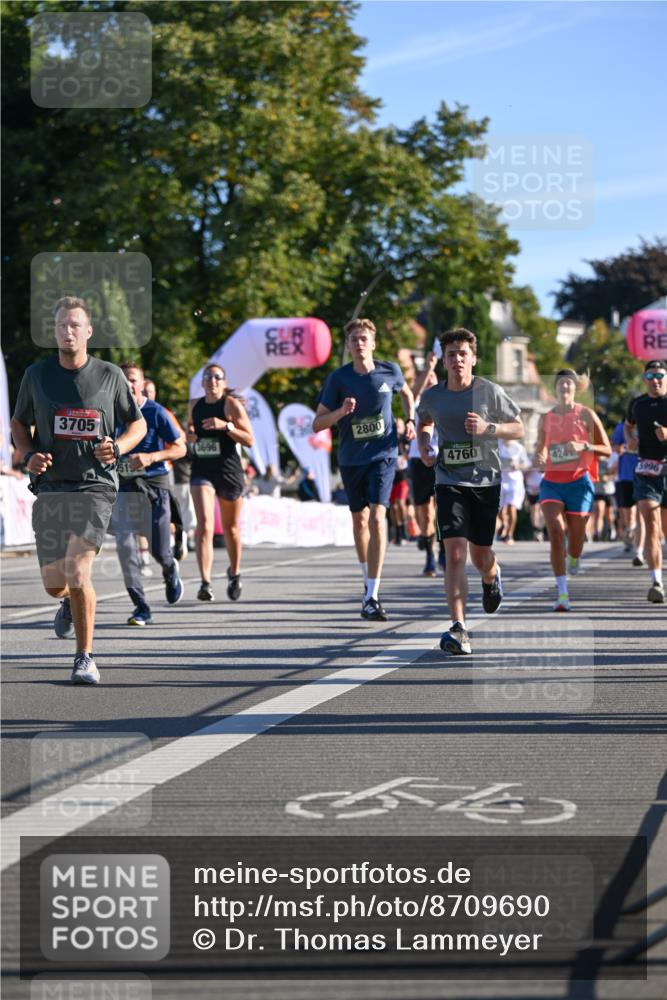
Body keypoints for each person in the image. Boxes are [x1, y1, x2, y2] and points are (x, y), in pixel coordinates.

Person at [10, 296, 146, 684]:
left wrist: (118, 447)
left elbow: (137, 425)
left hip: (95, 486)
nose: (67, 332)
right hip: (51, 487)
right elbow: (19, 423)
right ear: (53, 332)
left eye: (74, 325)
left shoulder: (109, 375)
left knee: (77, 568)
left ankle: (85, 657)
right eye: (61, 326)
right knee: (55, 584)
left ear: (88, 331)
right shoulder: (36, 375)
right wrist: (28, 454)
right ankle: (69, 602)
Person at [418, 327, 524, 655]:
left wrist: (489, 427)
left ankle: (492, 576)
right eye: (451, 355)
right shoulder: (433, 396)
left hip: (485, 482)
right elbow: (424, 422)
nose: (457, 360)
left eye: (463, 354)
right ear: (444, 361)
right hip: (449, 480)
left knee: (480, 556)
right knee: (454, 554)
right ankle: (459, 626)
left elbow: (518, 428)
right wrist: (424, 445)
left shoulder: (489, 391)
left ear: (474, 359)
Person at [312, 317, 415, 621]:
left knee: (378, 517)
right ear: (348, 345)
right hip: (351, 458)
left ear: (373, 343)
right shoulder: (338, 379)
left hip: (384, 455)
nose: (359, 343)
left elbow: (407, 394)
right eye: (353, 339)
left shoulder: (390, 371)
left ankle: (373, 594)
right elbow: (317, 424)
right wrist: (341, 412)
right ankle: (366, 578)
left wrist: (410, 420)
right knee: (360, 520)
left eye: (363, 338)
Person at [110, 363, 186, 625]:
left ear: (142, 384)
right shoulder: (111, 413)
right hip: (125, 488)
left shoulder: (156, 412)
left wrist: (151, 457)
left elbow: (180, 448)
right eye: (123, 380)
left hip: (154, 486)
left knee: (159, 550)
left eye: (133, 380)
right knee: (125, 546)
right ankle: (141, 607)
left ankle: (170, 568)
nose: (128, 385)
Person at [535, 368, 611, 611]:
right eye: (560, 383)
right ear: (555, 388)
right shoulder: (546, 418)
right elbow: (540, 448)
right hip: (551, 483)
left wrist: (584, 446)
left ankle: (574, 556)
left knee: (575, 542)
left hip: (579, 483)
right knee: (556, 532)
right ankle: (562, 594)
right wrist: (539, 457)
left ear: (576, 387)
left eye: (569, 383)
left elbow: (607, 449)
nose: (564, 386)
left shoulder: (586, 414)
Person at [188, 363, 254, 602]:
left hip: (228, 471)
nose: (212, 380)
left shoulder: (231, 405)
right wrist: (190, 435)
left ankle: (234, 573)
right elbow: (189, 430)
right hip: (202, 469)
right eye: (208, 376)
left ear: (224, 383)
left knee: (231, 528)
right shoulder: (194, 405)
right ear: (203, 382)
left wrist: (226, 426)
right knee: (204, 525)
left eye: (217, 377)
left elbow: (249, 439)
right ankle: (205, 582)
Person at [624, 358, 667, 603]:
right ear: (645, 379)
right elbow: (628, 426)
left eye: (660, 376)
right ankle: (656, 582)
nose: (655, 380)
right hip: (646, 470)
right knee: (651, 524)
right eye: (650, 376)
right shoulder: (637, 404)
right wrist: (630, 439)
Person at [409, 353, 439, 576]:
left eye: (433, 379)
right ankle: (429, 550)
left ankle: (442, 551)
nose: (429, 381)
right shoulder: (416, 403)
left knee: (444, 509)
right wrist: (429, 368)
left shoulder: (444, 402)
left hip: (441, 460)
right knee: (424, 512)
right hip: (418, 460)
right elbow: (412, 393)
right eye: (426, 379)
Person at [611, 418, 645, 565]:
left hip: (645, 475)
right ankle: (629, 531)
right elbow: (613, 446)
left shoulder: (647, 424)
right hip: (625, 475)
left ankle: (639, 552)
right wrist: (621, 448)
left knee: (641, 515)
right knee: (629, 516)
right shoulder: (621, 428)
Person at [497, 438, 530, 544]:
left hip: (515, 482)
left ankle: (509, 535)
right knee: (500, 510)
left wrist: (518, 466)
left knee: (512, 508)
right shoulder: (497, 445)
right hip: (501, 481)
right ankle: (504, 523)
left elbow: (527, 464)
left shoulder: (519, 447)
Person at [524, 461, 545, 541]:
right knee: (534, 509)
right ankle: (536, 530)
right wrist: (532, 466)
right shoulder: (529, 459)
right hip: (531, 489)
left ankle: (540, 530)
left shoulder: (545, 458)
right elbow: (524, 475)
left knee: (542, 510)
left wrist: (541, 465)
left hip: (543, 487)